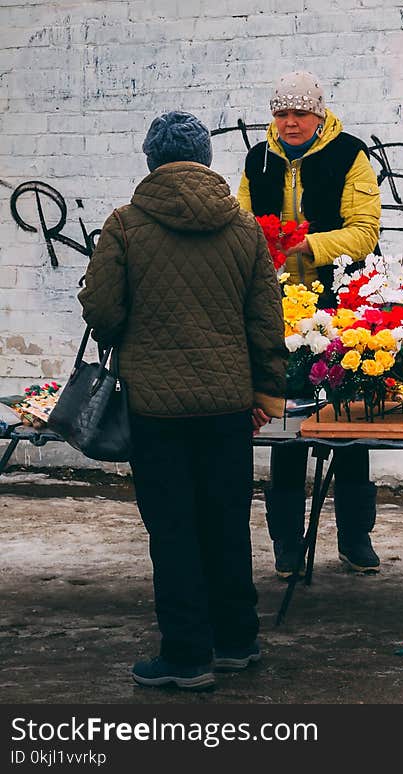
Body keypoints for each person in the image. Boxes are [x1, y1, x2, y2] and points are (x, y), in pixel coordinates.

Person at [79, 111, 288, 690]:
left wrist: (130, 329)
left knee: (173, 528)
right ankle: (237, 641)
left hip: (155, 408)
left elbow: (102, 309)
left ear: (150, 160)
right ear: (205, 161)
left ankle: (187, 656)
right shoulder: (243, 227)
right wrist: (267, 392)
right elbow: (265, 320)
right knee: (225, 520)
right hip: (227, 405)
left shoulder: (124, 225)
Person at [237, 71, 383, 576]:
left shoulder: (349, 154)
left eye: (300, 113)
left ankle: (355, 537)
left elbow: (364, 233)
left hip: (341, 305)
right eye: (282, 113)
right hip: (277, 307)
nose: (290, 122)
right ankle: (286, 545)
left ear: (319, 115)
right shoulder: (258, 159)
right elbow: (240, 225)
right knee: (284, 427)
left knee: (348, 426)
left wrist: (308, 245)